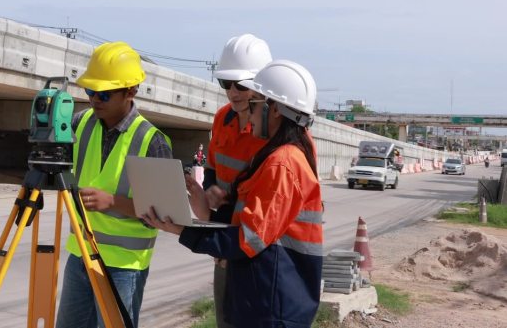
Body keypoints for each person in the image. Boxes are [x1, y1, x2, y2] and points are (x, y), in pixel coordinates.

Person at [144, 60, 323, 327]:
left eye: (254, 106)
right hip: (263, 294)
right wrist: (206, 214)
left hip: (272, 305)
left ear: (274, 110)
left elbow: (247, 239)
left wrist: (182, 230)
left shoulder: (283, 164)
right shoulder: (278, 158)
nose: (248, 116)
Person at [56, 41, 173, 328]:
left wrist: (113, 202)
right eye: (90, 91)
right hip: (80, 254)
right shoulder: (80, 123)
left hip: (124, 265)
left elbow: (166, 215)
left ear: (130, 91)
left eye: (104, 94)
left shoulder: (151, 141)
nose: (95, 99)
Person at [185, 33, 272, 328]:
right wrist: (210, 192)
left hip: (262, 249)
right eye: (226, 84)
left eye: (241, 86)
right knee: (227, 320)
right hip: (227, 242)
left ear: (261, 85)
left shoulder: (277, 132)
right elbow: (214, 168)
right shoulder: (222, 118)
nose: (233, 92)